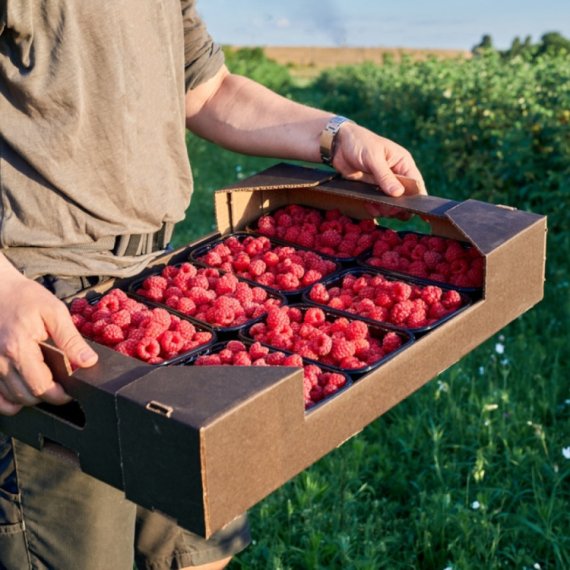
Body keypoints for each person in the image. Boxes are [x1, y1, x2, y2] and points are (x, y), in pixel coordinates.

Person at [0, 1, 426, 569]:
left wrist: (335, 135)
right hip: (42, 301)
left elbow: (206, 89)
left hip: (164, 289)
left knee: (198, 553)